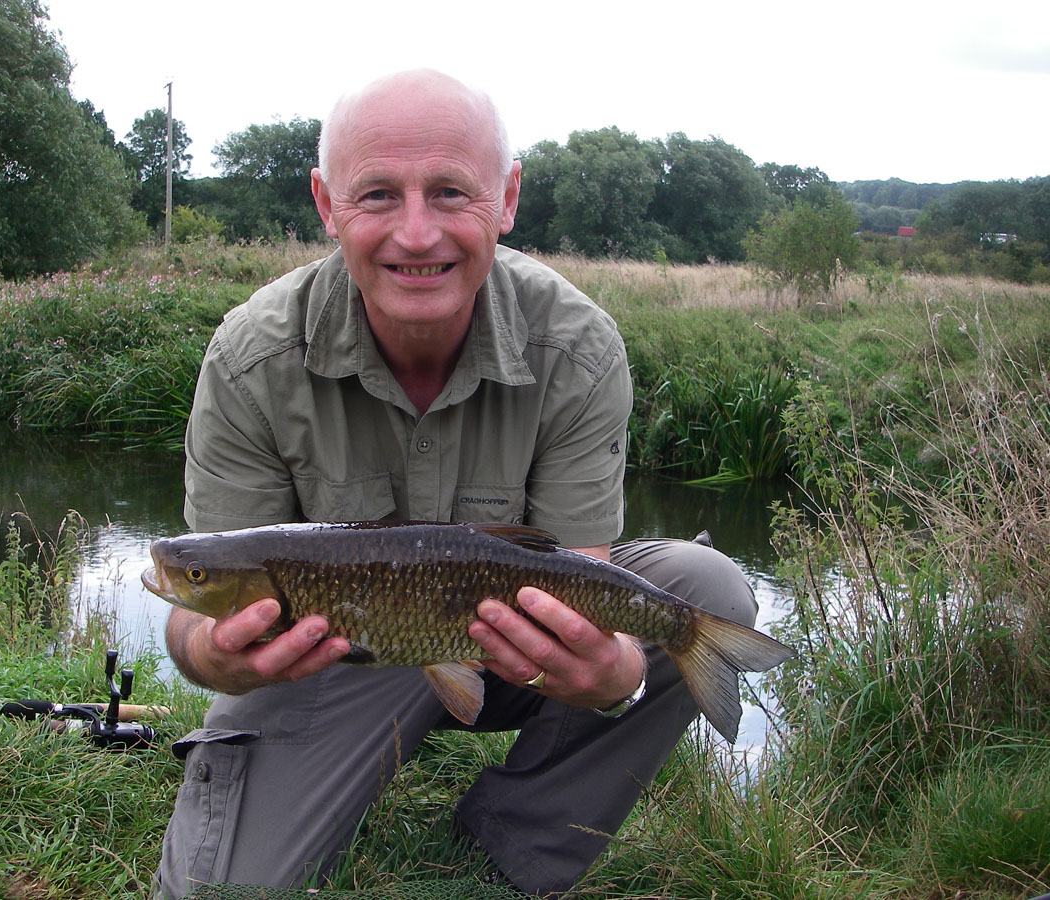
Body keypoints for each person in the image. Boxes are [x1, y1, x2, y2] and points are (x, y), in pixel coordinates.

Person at [155, 69, 757, 899]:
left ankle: (504, 854)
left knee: (706, 585)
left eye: (449, 192)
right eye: (376, 195)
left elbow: (577, 576)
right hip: (335, 666)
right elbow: (196, 641)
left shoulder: (577, 344)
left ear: (506, 198)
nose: (415, 233)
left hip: (510, 647)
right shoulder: (251, 355)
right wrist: (217, 655)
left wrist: (617, 674)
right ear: (326, 205)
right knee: (222, 892)